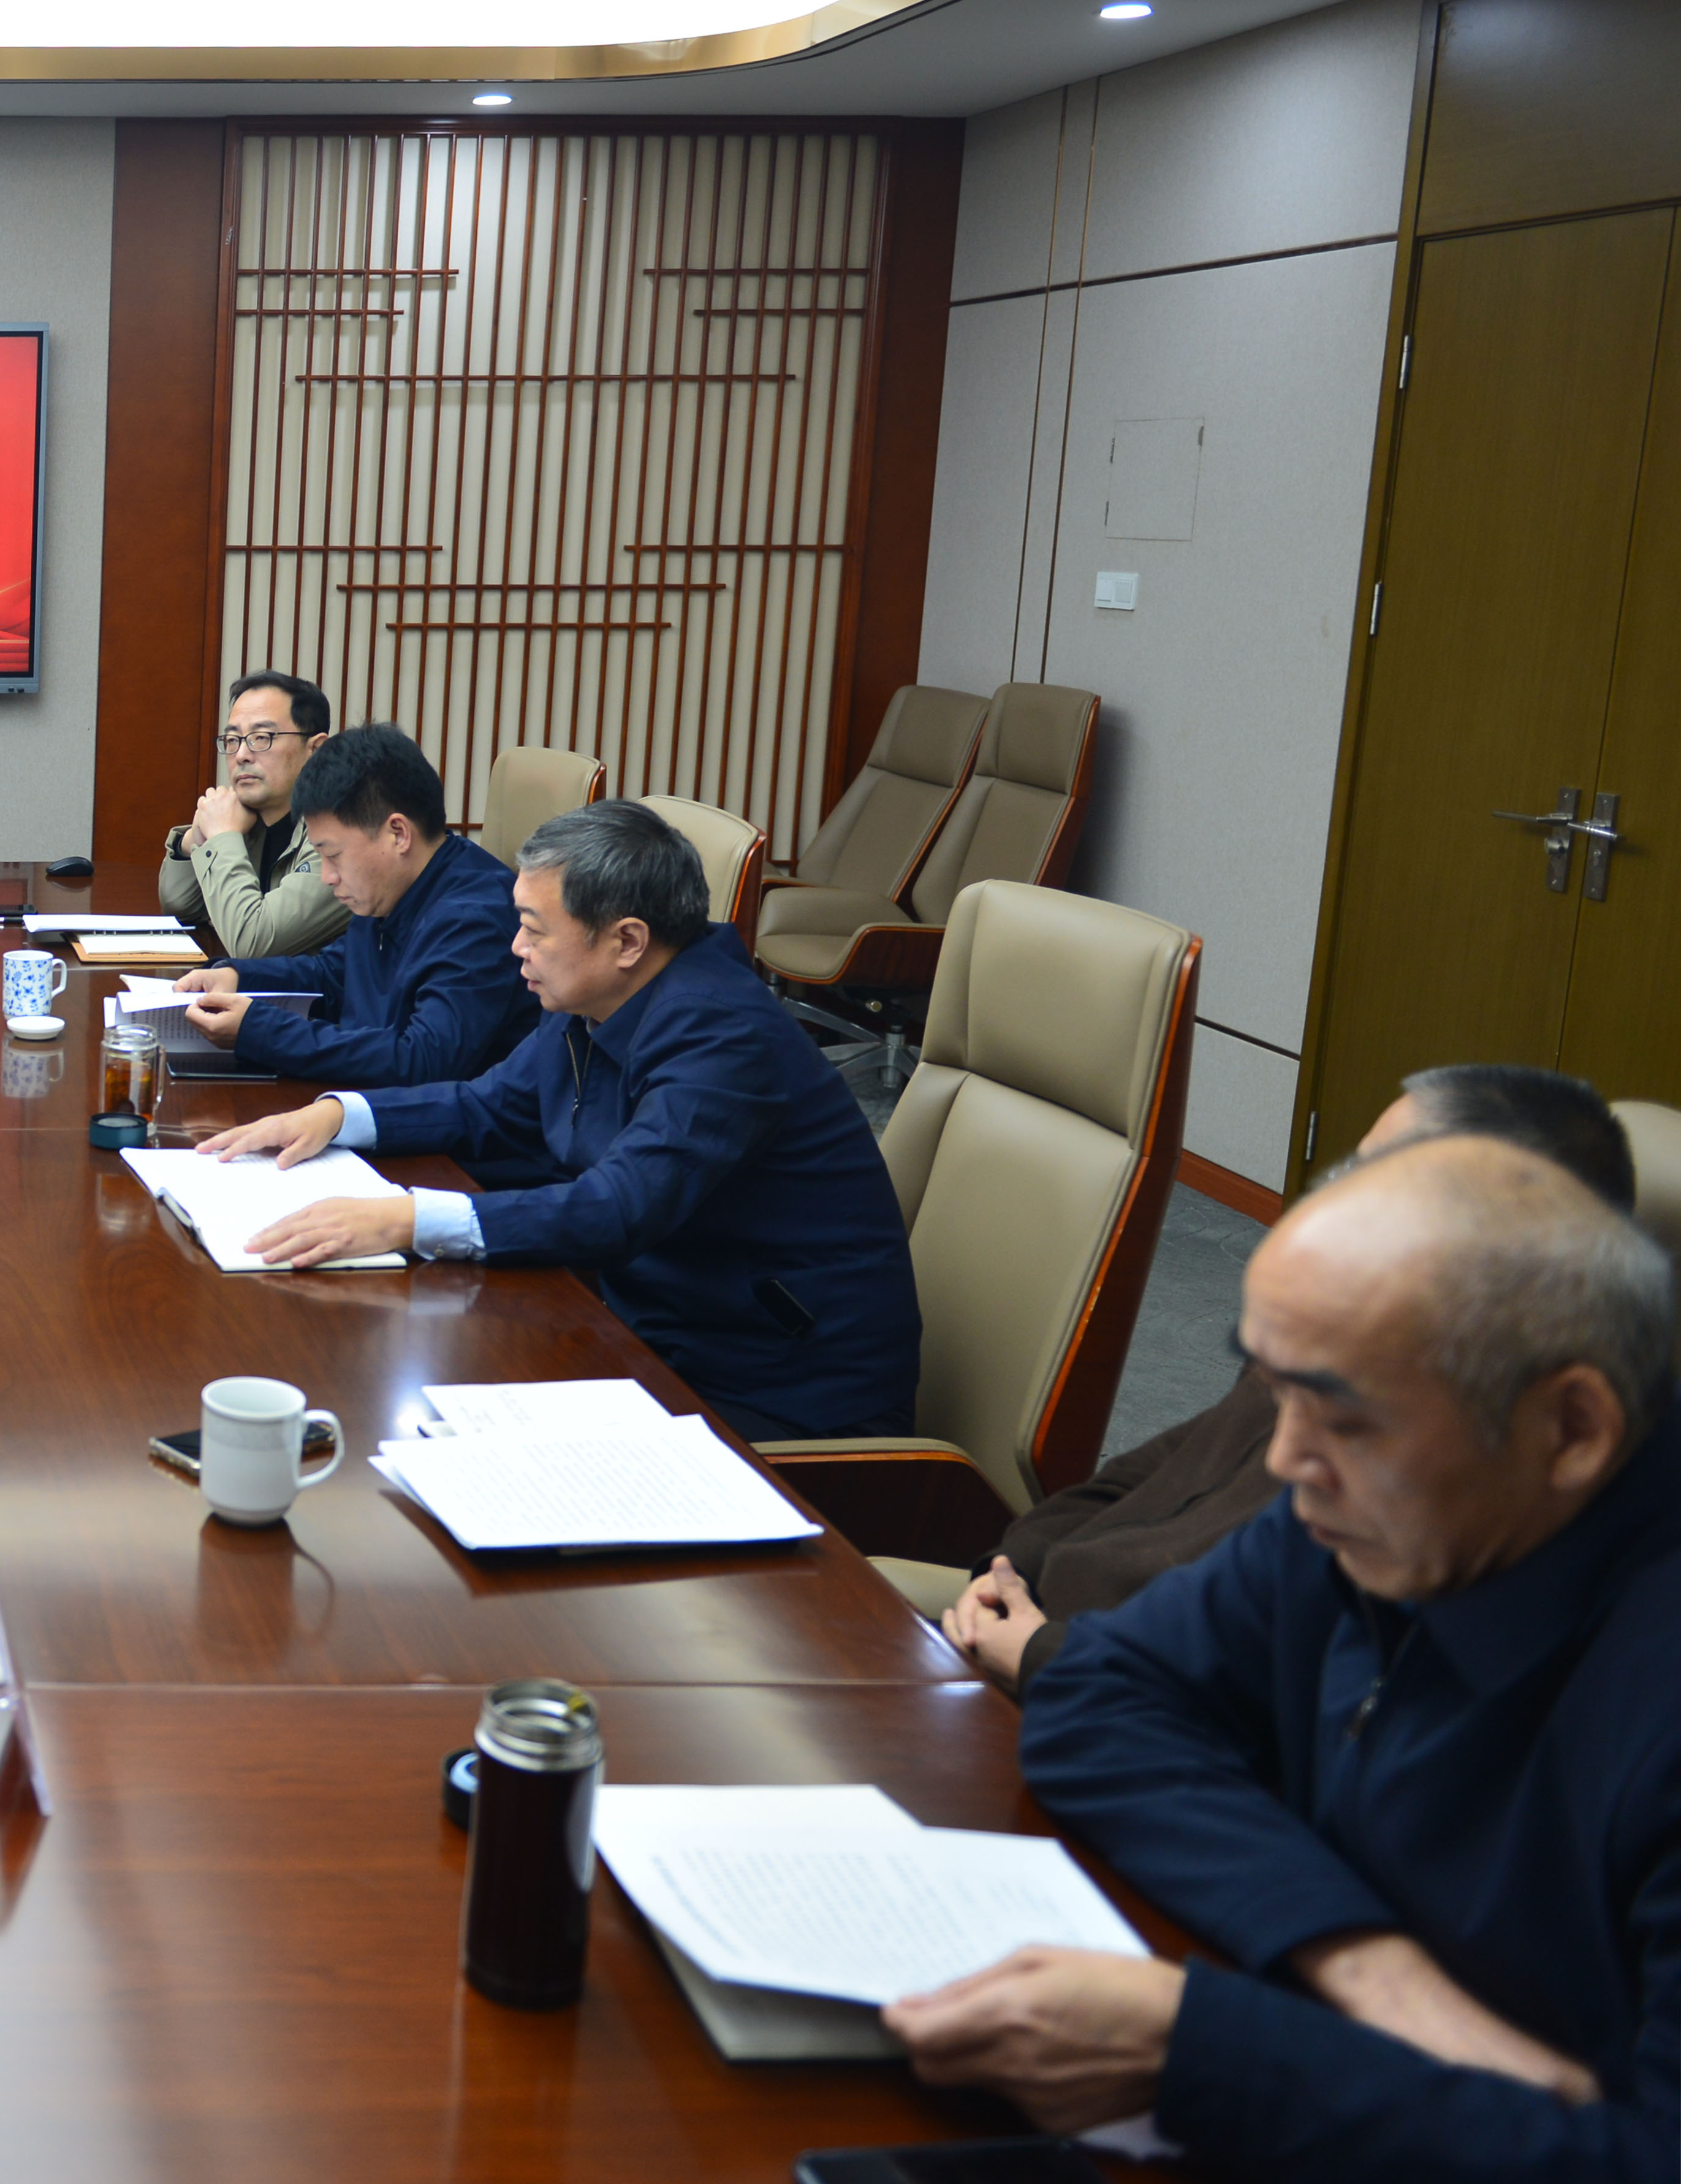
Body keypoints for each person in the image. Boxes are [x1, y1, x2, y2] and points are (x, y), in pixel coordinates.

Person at [891, 1135, 1681, 2178]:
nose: (1285, 1460)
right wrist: (1372, 1974)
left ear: (1572, 1428)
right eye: (1275, 1392)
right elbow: (1101, 1694)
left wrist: (1208, 2051)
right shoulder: (1384, 1513)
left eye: (1343, 1416)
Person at [198, 799, 918, 1441]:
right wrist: (335, 1114)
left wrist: (405, 1219)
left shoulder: (721, 1033)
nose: (516, 947)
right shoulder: (598, 996)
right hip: (656, 1329)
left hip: (779, 1389)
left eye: (534, 929)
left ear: (626, 940)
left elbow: (616, 1206)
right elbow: (489, 1105)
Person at [939, 1063, 1641, 1695]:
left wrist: (1045, 1656)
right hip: (1045, 1644)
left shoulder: (1465, 1474)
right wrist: (1008, 1569)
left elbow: (1266, 1695)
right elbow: (1152, 1470)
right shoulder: (1333, 1330)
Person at [170, 724, 528, 1087]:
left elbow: (422, 1060)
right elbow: (334, 975)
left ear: (398, 834)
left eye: (334, 856)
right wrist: (238, 977)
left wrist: (259, 1030)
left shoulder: (474, 918)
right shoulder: (390, 886)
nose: (328, 877)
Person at [156, 671, 346, 959]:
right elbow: (181, 906)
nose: (242, 755)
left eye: (261, 738)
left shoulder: (339, 830)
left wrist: (222, 837)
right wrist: (192, 840)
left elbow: (253, 943)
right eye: (233, 740)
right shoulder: (246, 819)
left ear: (315, 749)